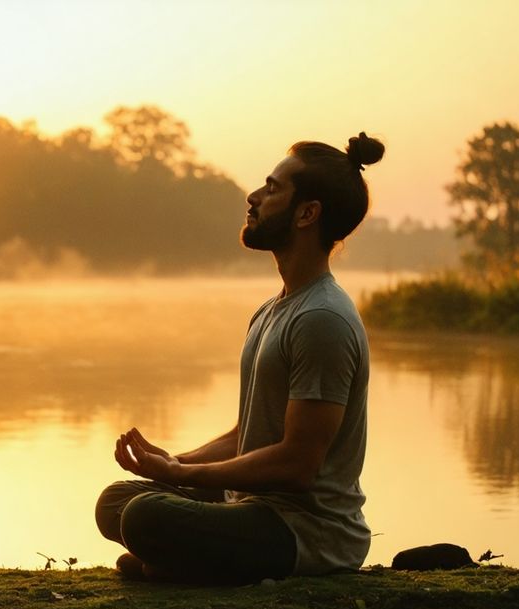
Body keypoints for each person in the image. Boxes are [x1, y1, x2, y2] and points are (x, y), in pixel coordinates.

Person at [95, 132, 384, 584]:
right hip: (250, 509)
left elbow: (297, 463)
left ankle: (178, 565)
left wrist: (180, 476)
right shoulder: (272, 310)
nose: (253, 197)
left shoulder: (322, 319)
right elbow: (246, 435)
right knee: (117, 500)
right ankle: (180, 564)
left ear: (308, 213)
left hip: (305, 531)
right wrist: (175, 465)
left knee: (145, 517)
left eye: (272, 189)